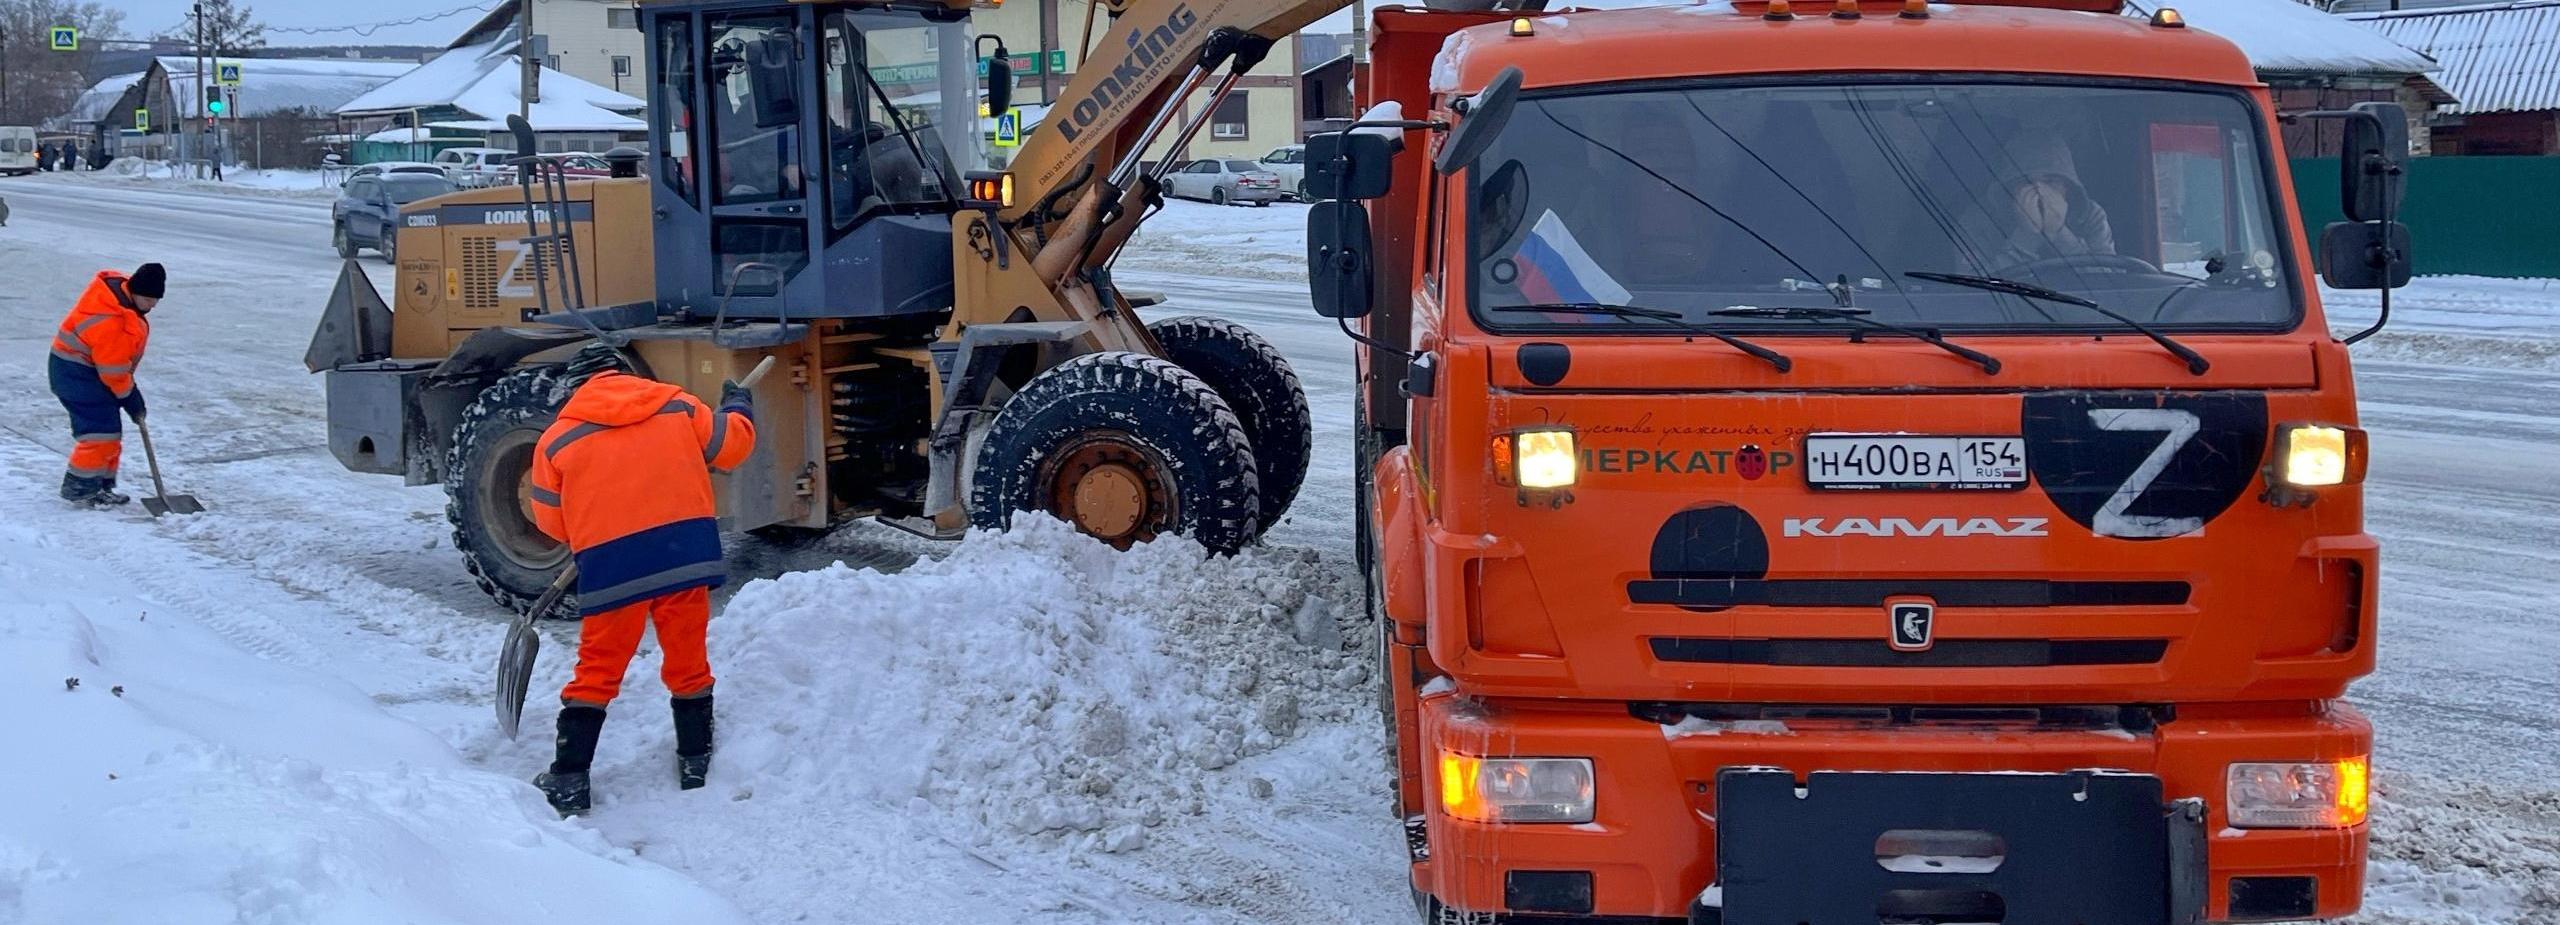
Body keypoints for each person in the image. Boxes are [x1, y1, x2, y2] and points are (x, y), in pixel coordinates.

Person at [527, 351, 757, 816]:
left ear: (575, 389)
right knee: (688, 658)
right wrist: (738, 407)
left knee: (599, 668)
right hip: (684, 555)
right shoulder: (678, 406)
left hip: (613, 565)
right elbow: (733, 448)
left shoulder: (557, 441)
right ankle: (695, 762)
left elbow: (552, 523)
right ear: (627, 376)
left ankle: (569, 778)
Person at [48, 264, 164, 506]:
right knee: (99, 434)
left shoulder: (122, 299)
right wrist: (131, 399)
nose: (152, 305)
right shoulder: (112, 321)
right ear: (133, 291)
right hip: (76, 375)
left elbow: (115, 369)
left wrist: (127, 394)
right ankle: (79, 489)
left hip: (89, 371)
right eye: (148, 299)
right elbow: (113, 372)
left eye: (156, 299)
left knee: (110, 432)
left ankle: (100, 486)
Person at [1982, 133, 2116, 270]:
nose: (2039, 190)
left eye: (2050, 181)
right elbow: (1972, 286)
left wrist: (2059, 233)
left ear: (2067, 186)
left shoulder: (2090, 216)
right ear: (2009, 188)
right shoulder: (1982, 220)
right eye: (2026, 182)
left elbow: (2111, 282)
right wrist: (2026, 236)